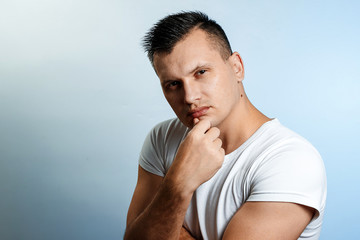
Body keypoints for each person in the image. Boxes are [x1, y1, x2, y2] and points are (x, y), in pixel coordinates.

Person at [124, 11, 327, 240]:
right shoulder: (162, 138)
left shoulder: (291, 160)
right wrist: (179, 184)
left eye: (201, 72)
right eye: (173, 84)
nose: (189, 97)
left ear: (237, 67)